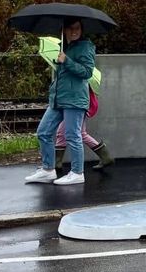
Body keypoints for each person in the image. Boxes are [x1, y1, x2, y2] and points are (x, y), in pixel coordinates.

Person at [25, 19, 95, 186]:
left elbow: (87, 72)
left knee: (72, 135)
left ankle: (78, 172)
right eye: (70, 28)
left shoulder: (85, 47)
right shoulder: (65, 47)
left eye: (77, 28)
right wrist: (59, 61)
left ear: (81, 29)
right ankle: (48, 170)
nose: (73, 31)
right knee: (43, 131)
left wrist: (67, 61)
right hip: (59, 98)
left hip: (74, 99)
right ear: (63, 30)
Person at [53, 86, 113, 172]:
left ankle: (58, 163)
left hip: (78, 106)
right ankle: (105, 157)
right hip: (79, 105)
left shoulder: (80, 79)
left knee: (63, 133)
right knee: (80, 133)